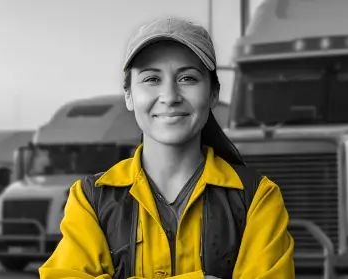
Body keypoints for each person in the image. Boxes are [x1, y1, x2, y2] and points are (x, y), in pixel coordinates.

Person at [39, 17, 295, 279]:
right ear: (128, 95)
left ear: (213, 94)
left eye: (187, 78)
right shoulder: (91, 199)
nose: (170, 96)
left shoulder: (257, 198)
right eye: (151, 79)